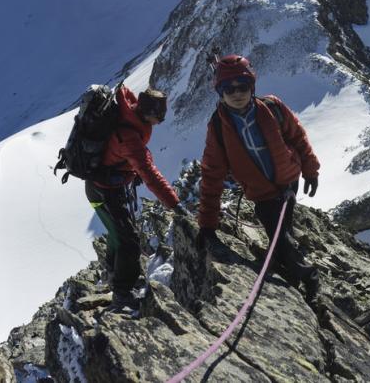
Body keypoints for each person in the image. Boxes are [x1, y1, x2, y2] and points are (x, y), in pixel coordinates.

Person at [197, 54, 321, 299]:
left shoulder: (272, 107)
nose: (236, 93)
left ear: (252, 86)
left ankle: (299, 272)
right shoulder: (219, 127)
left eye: (242, 86)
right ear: (219, 92)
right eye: (228, 88)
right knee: (280, 235)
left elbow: (297, 136)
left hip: (288, 182)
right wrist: (207, 223)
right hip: (263, 194)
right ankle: (303, 273)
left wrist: (310, 169)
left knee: (280, 233)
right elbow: (212, 174)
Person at [85, 85, 185, 309]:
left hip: (102, 186)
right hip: (104, 190)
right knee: (128, 240)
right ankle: (122, 293)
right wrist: (174, 204)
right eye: (159, 116)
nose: (160, 121)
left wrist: (128, 172)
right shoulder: (130, 136)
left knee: (117, 232)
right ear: (150, 114)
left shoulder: (129, 112)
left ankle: (113, 273)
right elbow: (149, 173)